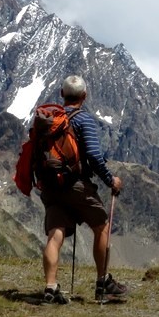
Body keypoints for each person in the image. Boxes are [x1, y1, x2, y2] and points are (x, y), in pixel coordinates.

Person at [38, 75, 127, 304]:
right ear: (84, 96)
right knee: (101, 226)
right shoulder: (84, 120)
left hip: (50, 186)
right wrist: (111, 181)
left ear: (62, 94)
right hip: (75, 185)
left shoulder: (49, 119)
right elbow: (95, 157)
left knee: (55, 233)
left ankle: (50, 287)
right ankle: (102, 283)